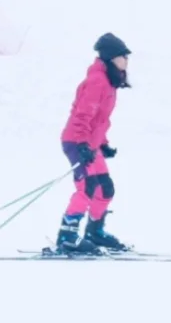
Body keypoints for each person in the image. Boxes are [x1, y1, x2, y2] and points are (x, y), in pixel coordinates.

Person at [55, 33, 132, 256]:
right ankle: (67, 237)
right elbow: (82, 116)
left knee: (105, 188)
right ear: (110, 57)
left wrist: (103, 143)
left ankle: (94, 232)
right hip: (76, 141)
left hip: (90, 143)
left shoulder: (109, 82)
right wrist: (81, 144)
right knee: (87, 188)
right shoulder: (97, 81)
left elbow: (98, 120)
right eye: (122, 56)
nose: (126, 60)